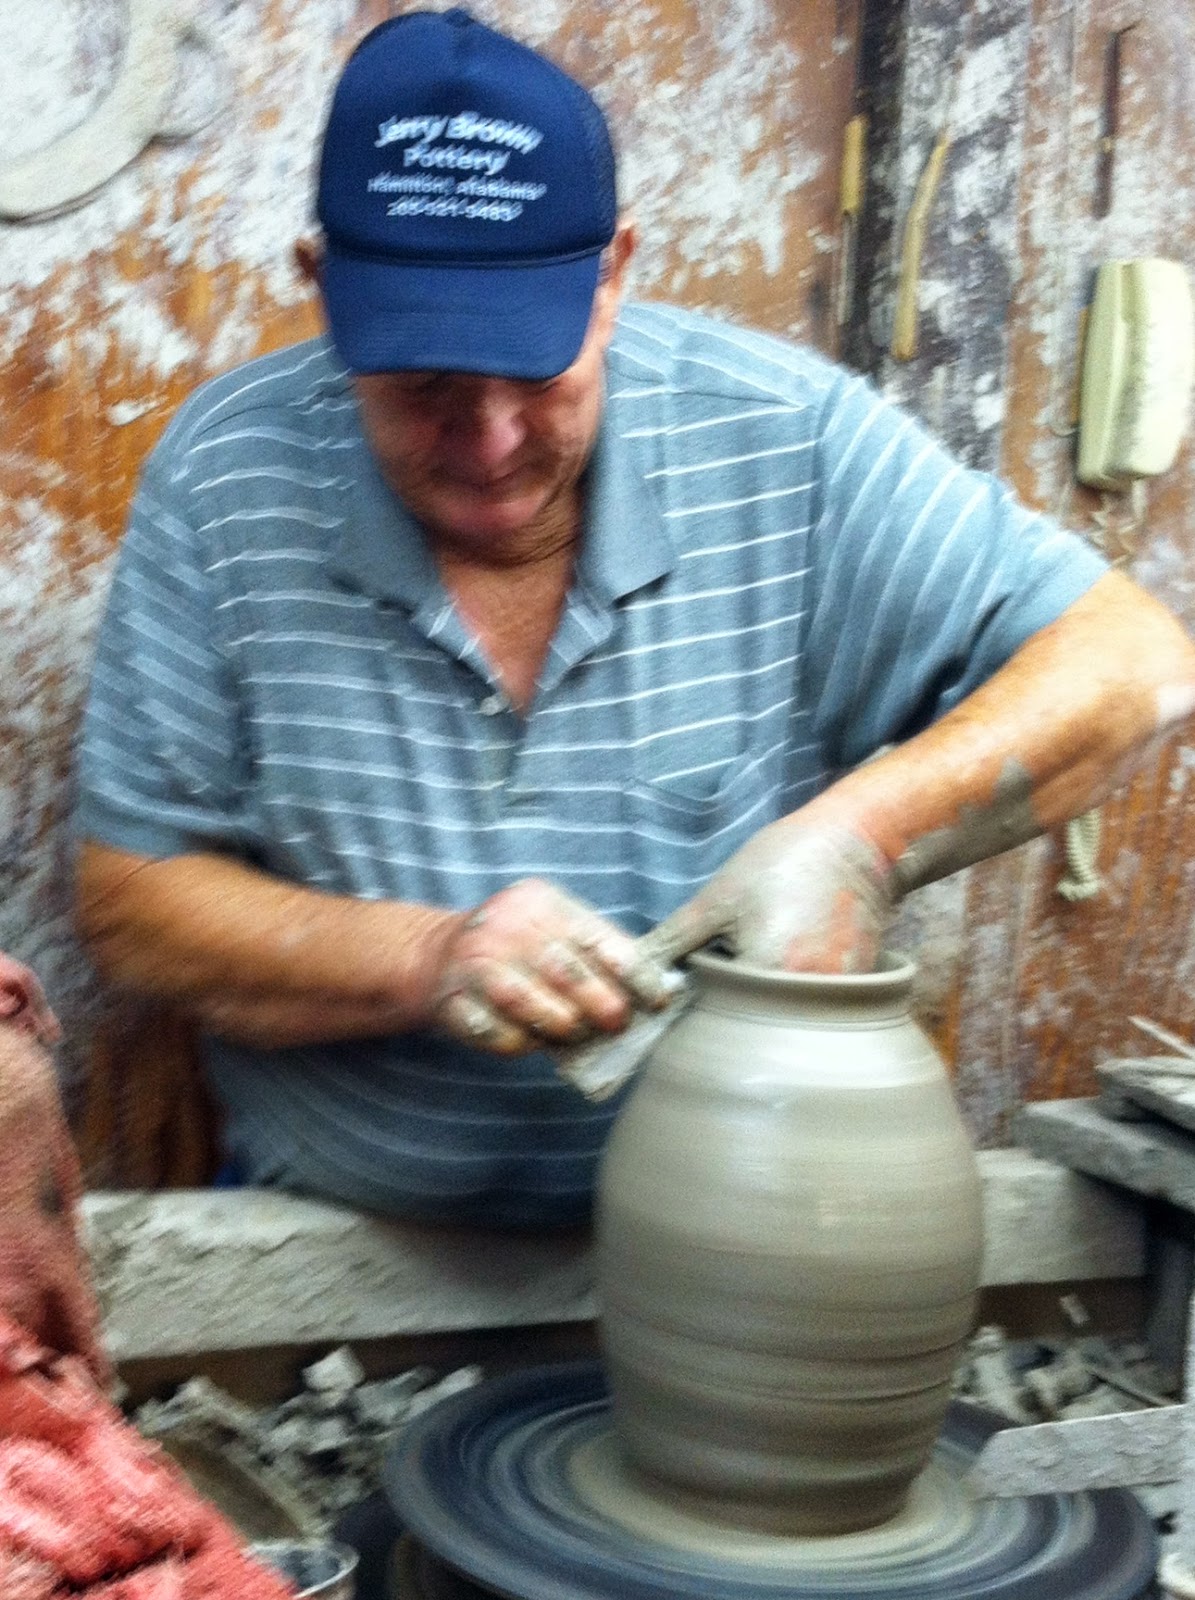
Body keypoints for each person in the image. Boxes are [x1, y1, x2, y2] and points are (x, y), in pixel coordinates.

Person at [74, 8, 1195, 1231]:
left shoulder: (781, 440)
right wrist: (428, 958)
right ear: (319, 285)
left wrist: (860, 841)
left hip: (734, 1230)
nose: (489, 440)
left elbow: (1131, 659)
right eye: (426, 384)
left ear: (612, 273)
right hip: (326, 1240)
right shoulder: (228, 472)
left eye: (532, 371)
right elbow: (135, 903)